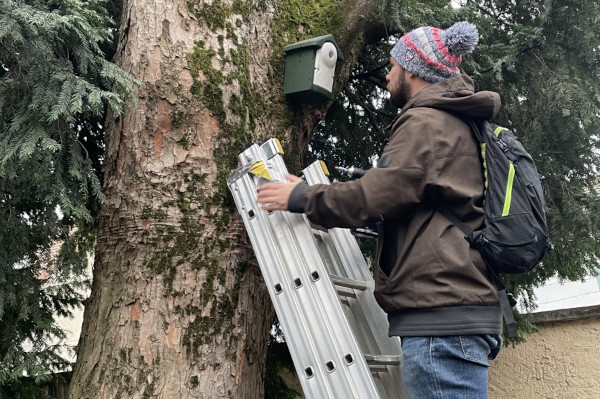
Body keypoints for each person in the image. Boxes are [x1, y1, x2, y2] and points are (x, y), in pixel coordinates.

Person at [257, 21, 502, 399]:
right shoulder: (454, 123)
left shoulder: (426, 121)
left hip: (442, 320)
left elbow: (375, 197)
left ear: (413, 70)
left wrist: (302, 197)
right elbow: (400, 194)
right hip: (452, 315)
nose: (388, 75)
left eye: (393, 66)